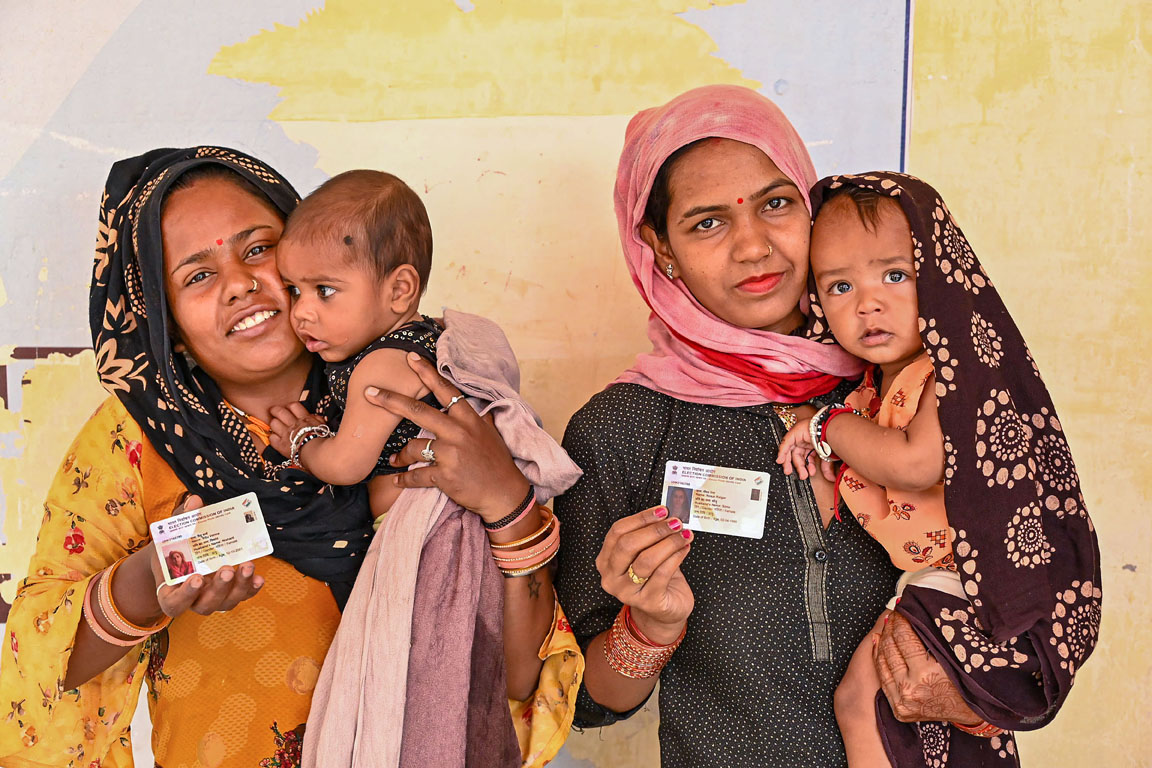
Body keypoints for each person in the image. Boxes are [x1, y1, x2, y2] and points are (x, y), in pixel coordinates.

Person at [0, 147, 580, 767]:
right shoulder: (136, 440)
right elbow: (35, 664)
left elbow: (518, 680)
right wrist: (150, 582)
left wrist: (507, 504)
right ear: (163, 317)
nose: (241, 284)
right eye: (197, 275)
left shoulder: (415, 397)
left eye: (258, 250)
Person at [552, 84, 901, 768]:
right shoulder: (623, 429)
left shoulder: (902, 388)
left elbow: (1030, 581)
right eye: (708, 222)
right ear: (661, 249)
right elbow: (589, 700)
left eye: (776, 204)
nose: (753, 246)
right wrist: (649, 625)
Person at [781, 172, 1100, 765]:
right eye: (840, 285)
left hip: (973, 577)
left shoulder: (949, 374)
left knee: (860, 696)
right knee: (919, 727)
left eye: (895, 275)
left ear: (941, 277)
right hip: (936, 579)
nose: (869, 302)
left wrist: (826, 429)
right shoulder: (877, 390)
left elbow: (915, 463)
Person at [267, 170, 444, 525]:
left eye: (325, 290)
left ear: (399, 290)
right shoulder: (412, 341)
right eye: (294, 291)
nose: (301, 312)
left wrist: (303, 440)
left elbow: (345, 465)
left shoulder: (384, 365)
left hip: (428, 531)